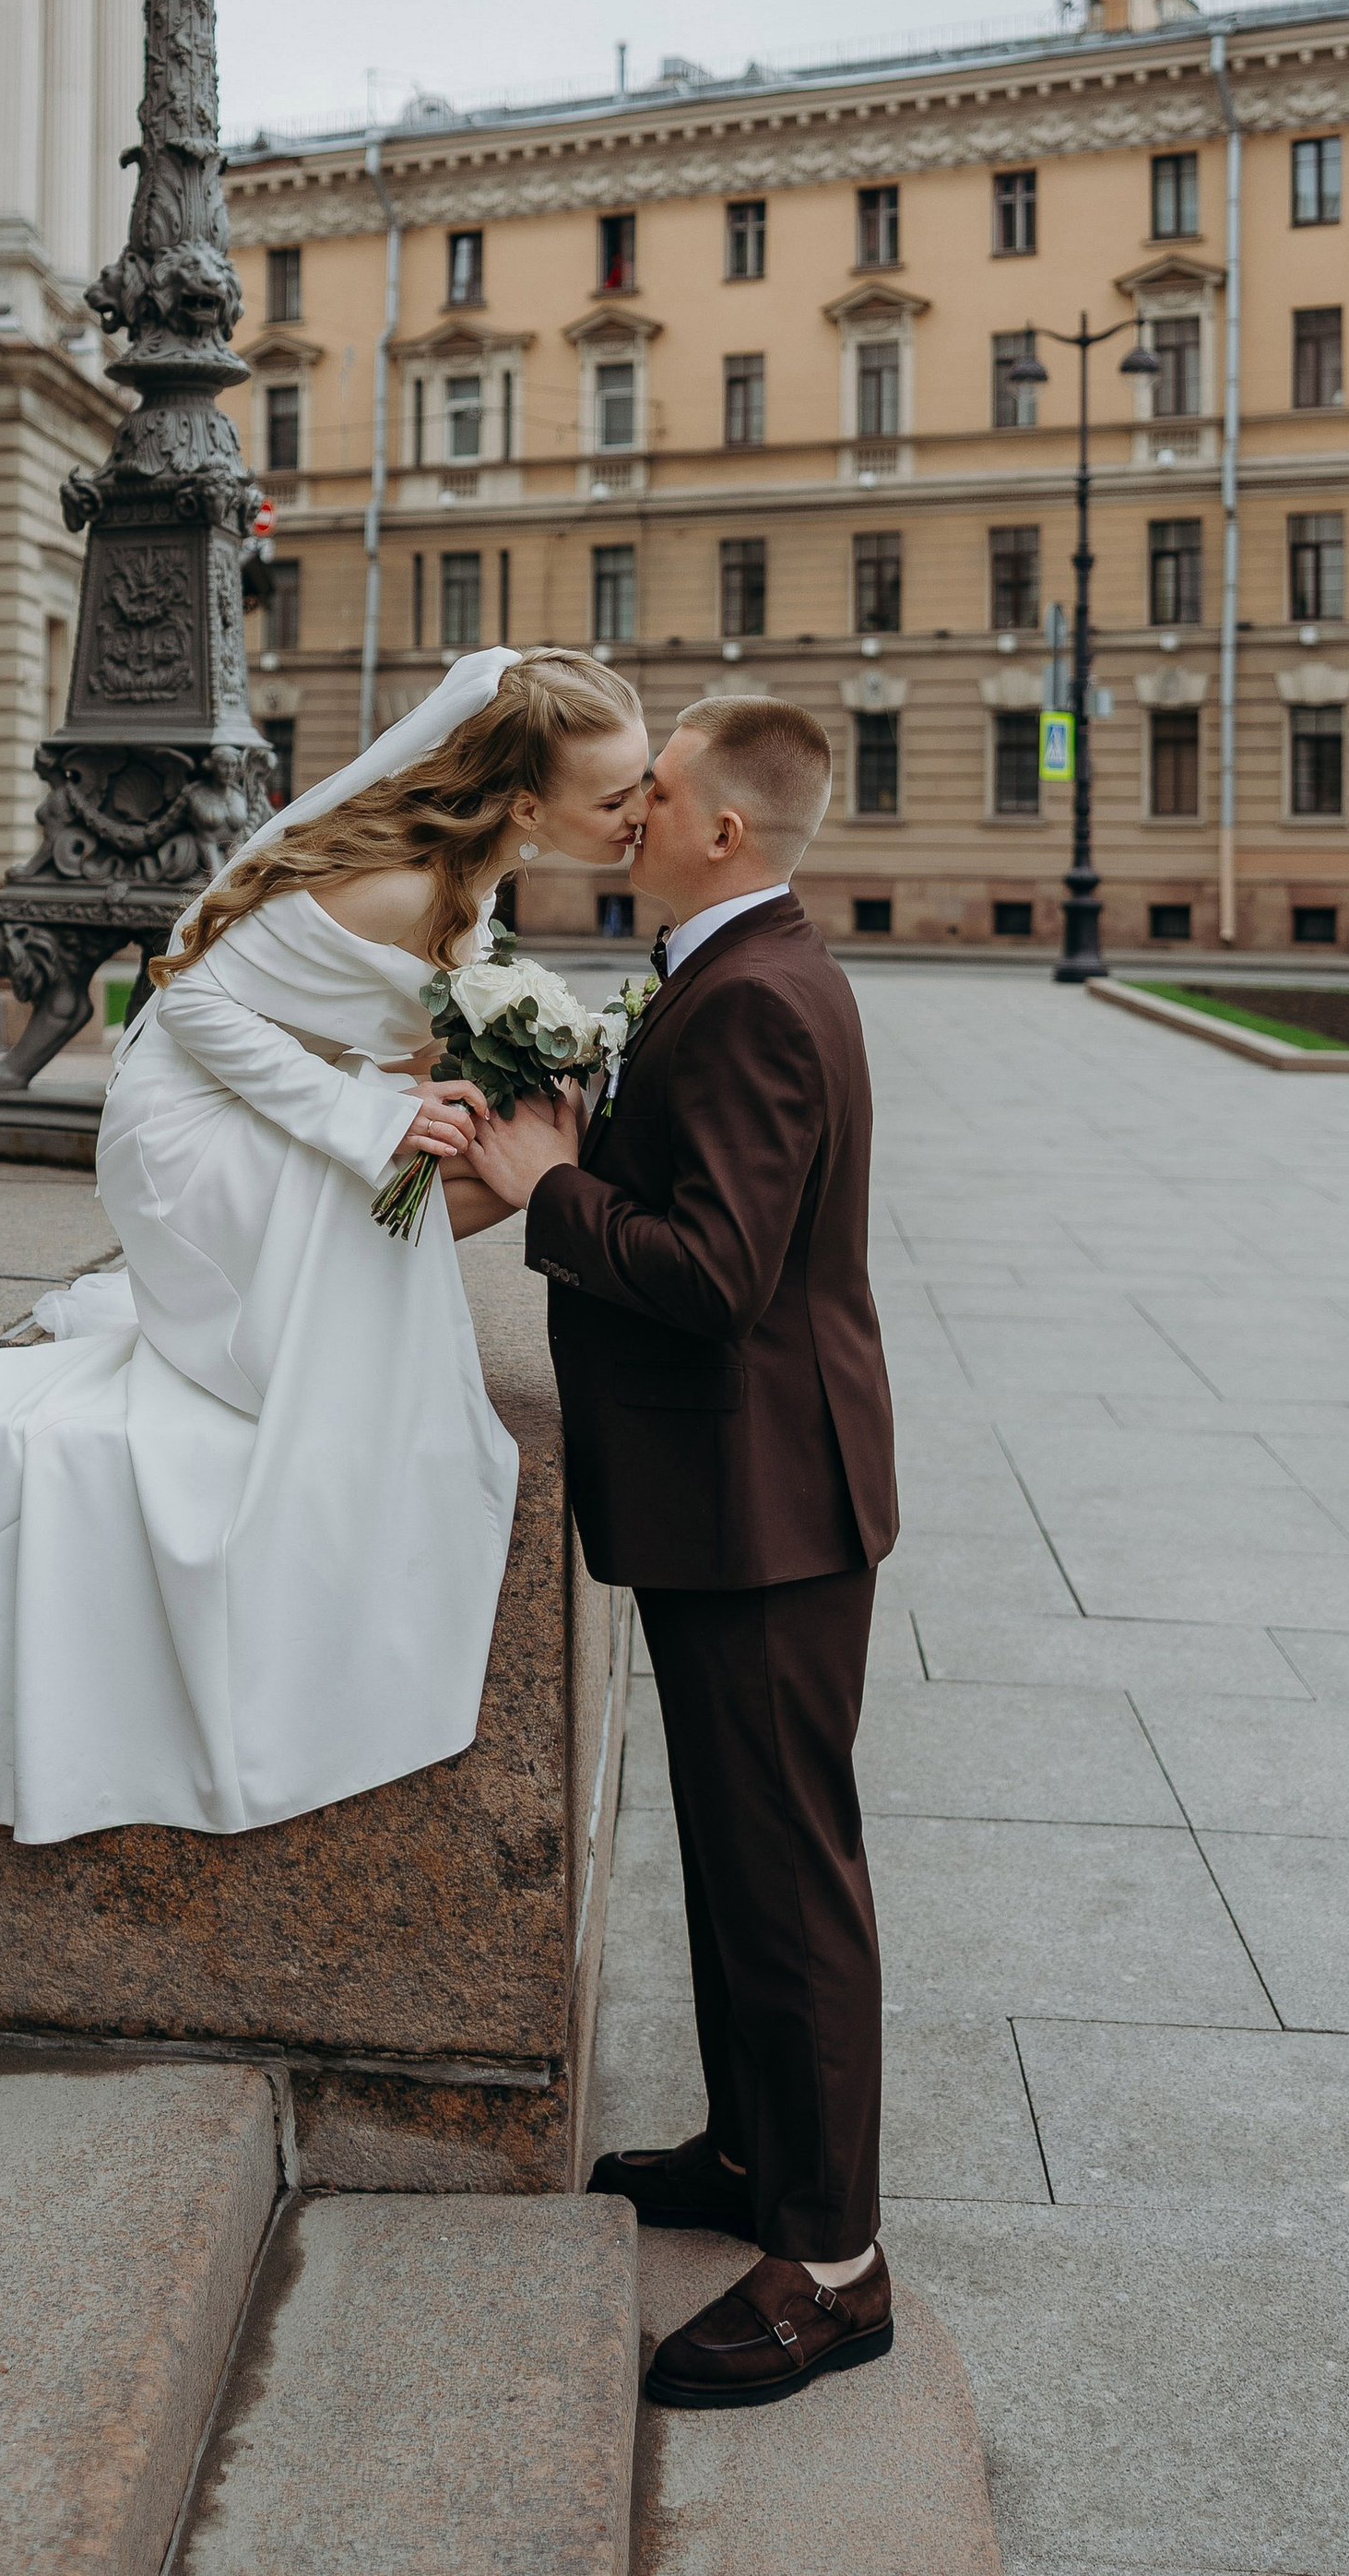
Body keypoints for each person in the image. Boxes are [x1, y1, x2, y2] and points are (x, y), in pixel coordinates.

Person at [0, 648, 649, 1846]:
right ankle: (270, 1299)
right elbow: (189, 1009)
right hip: (185, 1136)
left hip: (277, 1104)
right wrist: (374, 1118)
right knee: (428, 1249)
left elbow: (381, 1025)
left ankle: (339, 1267)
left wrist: (509, 1069)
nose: (639, 815)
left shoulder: (473, 876)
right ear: (528, 807)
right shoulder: (393, 883)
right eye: (617, 798)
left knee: (523, 1148)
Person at [465, 694, 898, 2411]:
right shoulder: (732, 974)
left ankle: (836, 2267)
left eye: (658, 791)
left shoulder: (761, 1001)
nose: (629, 807)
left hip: (769, 1511)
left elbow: (717, 1274)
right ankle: (752, 2161)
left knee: (791, 1883)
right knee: (738, 1865)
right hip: (740, 1501)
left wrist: (553, 1183)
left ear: (727, 829)